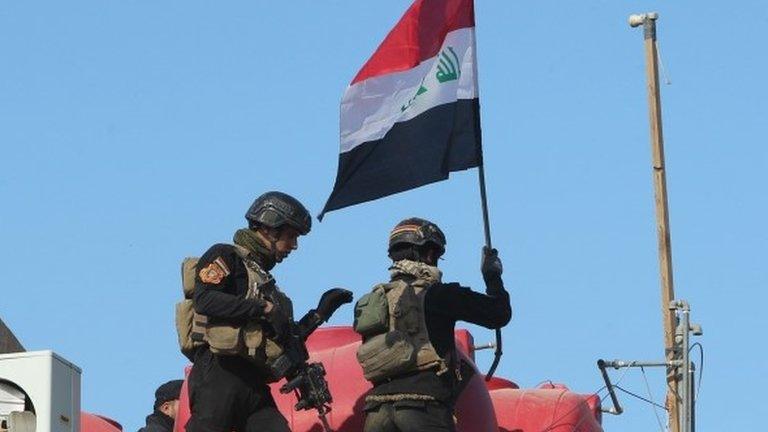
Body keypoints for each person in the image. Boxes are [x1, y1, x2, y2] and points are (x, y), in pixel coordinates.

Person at [185, 191, 353, 432]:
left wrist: (319, 314)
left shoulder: (267, 284)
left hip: (253, 384)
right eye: (291, 236)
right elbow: (205, 300)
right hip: (220, 373)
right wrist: (261, 308)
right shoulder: (226, 256)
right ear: (269, 229)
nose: (293, 246)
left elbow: (284, 341)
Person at [356, 217, 512, 432]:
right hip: (423, 409)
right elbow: (499, 314)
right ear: (429, 254)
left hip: (377, 413)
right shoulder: (440, 294)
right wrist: (493, 276)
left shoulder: (371, 302)